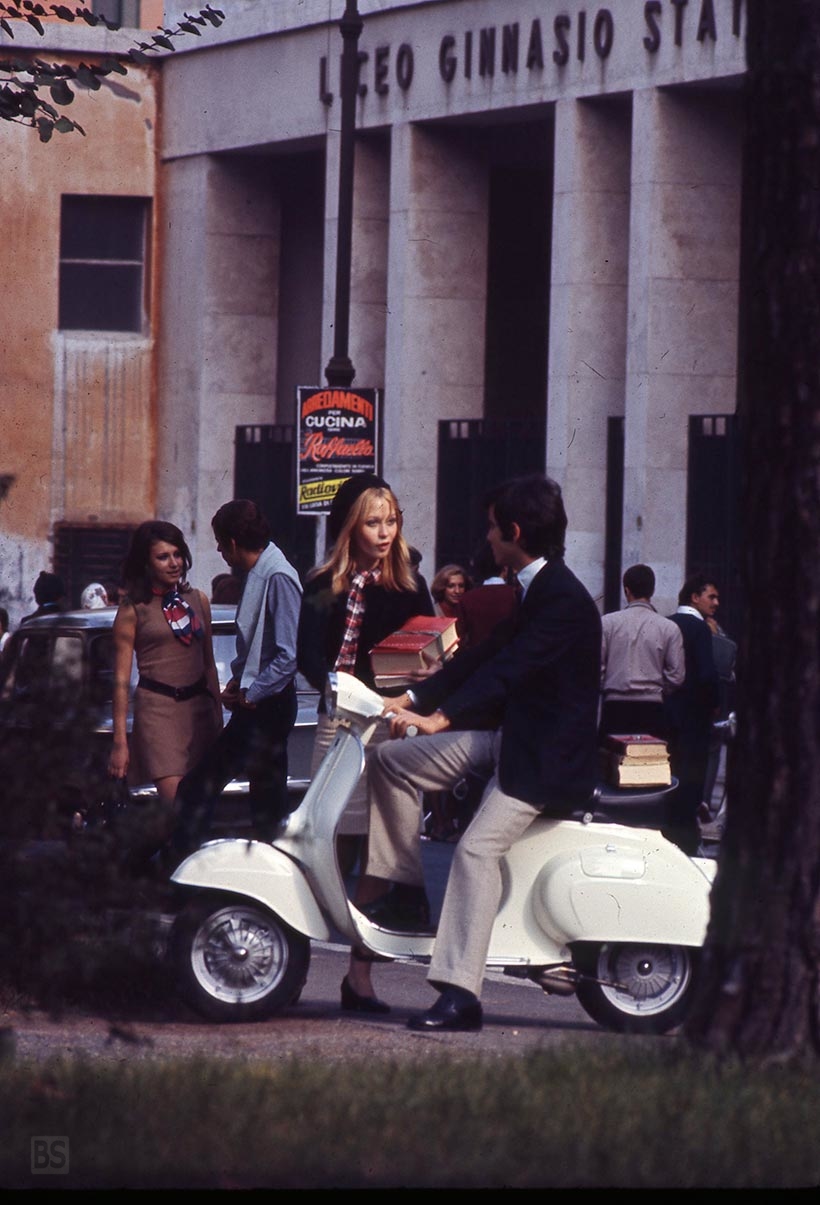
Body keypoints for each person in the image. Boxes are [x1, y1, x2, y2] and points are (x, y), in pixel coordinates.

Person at [358, 473, 601, 1032]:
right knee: (391, 761)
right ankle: (404, 891)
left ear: (514, 532)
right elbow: (481, 656)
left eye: (492, 528)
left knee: (473, 852)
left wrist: (439, 719)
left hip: (542, 761)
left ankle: (460, 994)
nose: (487, 537)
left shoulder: (562, 598)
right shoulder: (534, 587)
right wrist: (410, 699)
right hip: (511, 741)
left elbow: (510, 671)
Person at [297, 473, 435, 1014]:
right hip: (339, 722)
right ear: (351, 527)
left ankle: (359, 976)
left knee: (383, 846)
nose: (384, 532)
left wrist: (414, 687)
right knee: (329, 842)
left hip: (391, 723)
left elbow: (428, 652)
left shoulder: (409, 585)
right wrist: (334, 687)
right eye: (373, 522)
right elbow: (308, 654)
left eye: (391, 521)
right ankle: (293, 956)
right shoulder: (321, 583)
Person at [172, 499, 302, 857]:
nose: (219, 551)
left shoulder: (277, 575)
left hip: (268, 706)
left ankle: (183, 869)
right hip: (265, 702)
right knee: (266, 804)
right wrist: (241, 684)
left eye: (219, 543)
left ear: (232, 542)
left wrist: (252, 692)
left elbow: (288, 655)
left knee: (199, 788)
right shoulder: (264, 571)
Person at [107, 521, 223, 837]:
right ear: (146, 562)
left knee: (202, 815)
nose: (173, 563)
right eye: (162, 557)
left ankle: (177, 865)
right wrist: (120, 742)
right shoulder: (133, 609)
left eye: (177, 554)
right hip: (158, 713)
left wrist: (217, 718)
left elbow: (209, 665)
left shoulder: (198, 600)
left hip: (199, 712)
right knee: (180, 812)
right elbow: (120, 680)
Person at [664, 573, 721, 855]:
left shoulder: (668, 623)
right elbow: (708, 675)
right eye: (712, 596)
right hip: (695, 717)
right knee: (691, 782)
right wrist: (716, 703)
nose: (716, 603)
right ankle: (685, 840)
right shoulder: (700, 629)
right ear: (694, 597)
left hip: (667, 713)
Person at [599, 563, 684, 740]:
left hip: (615, 706)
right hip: (652, 707)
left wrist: (608, 684)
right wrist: (658, 688)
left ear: (626, 590)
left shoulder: (607, 623)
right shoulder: (669, 628)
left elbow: (596, 668)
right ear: (652, 591)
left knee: (612, 755)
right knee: (650, 756)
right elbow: (676, 675)